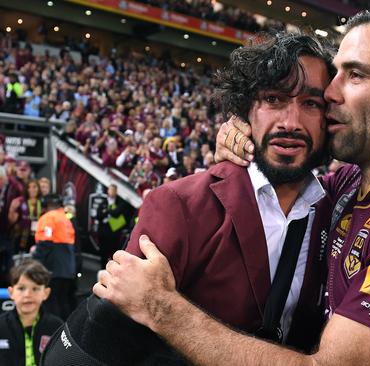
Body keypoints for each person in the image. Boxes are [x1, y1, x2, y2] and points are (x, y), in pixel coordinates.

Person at [95, 10, 370, 365]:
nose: (330, 93)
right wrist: (251, 127)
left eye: (354, 75)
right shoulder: (353, 184)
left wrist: (162, 308)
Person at [41, 32, 336, 365]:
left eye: (311, 103)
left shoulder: (336, 208)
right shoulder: (178, 204)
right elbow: (91, 348)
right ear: (244, 112)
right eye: (273, 99)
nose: (291, 122)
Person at [0, 259, 63, 366]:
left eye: (35, 289)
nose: (27, 294)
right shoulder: (1, 325)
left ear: (46, 293)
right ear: (11, 292)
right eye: (21, 288)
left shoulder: (56, 327)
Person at [32, 194, 76, 320]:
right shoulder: (66, 219)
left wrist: (34, 263)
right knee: (64, 302)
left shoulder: (48, 217)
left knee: (51, 303)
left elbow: (45, 243)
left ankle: (53, 333)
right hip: (68, 269)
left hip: (53, 268)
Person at [8, 179, 42, 252]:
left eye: (34, 187)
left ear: (38, 188)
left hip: (38, 235)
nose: (31, 189)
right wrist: (12, 209)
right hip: (22, 235)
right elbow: (12, 221)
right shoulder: (21, 201)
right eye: (29, 187)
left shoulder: (42, 202)